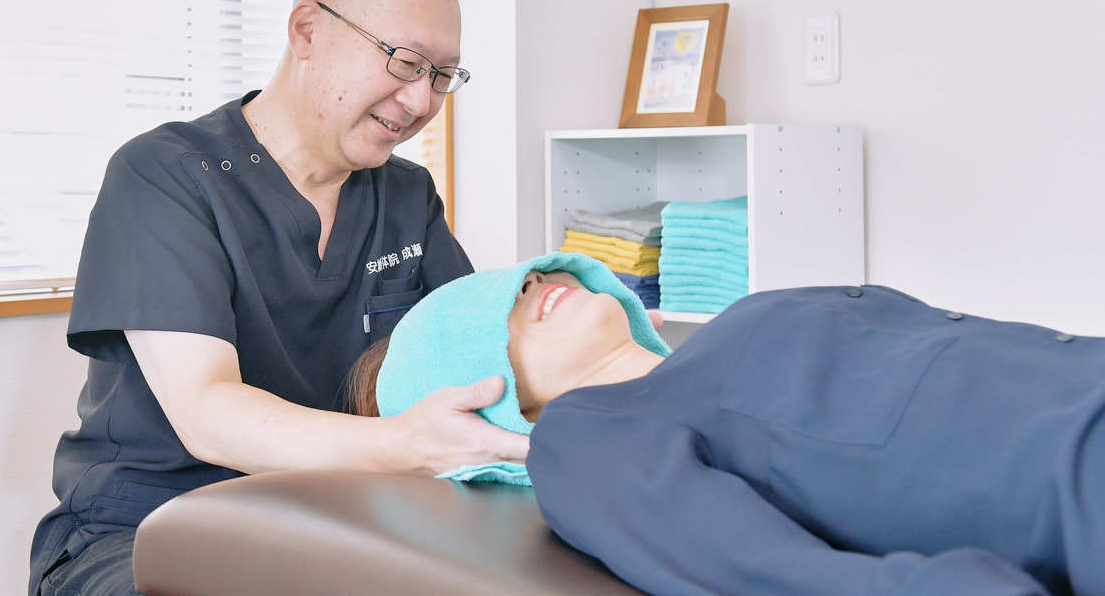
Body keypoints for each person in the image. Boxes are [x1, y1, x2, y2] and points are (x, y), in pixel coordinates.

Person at [29, 0, 530, 596]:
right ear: (307, 31)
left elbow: (478, 355)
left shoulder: (407, 197)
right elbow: (206, 412)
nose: (420, 103)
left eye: (441, 76)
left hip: (339, 522)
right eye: (406, 63)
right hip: (146, 530)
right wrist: (406, 445)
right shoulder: (166, 176)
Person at [359, 251, 1104, 595]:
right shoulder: (584, 438)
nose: (533, 285)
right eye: (503, 306)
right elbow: (773, 575)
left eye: (531, 275)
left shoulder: (719, 336)